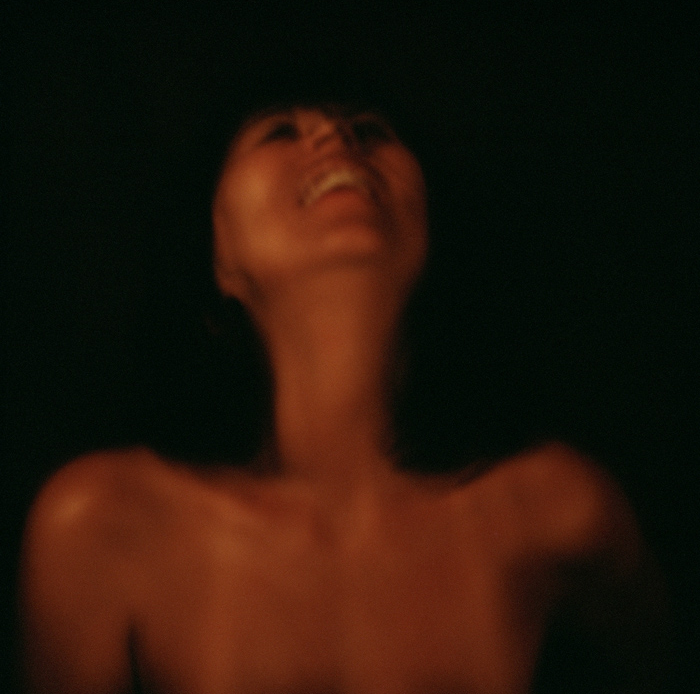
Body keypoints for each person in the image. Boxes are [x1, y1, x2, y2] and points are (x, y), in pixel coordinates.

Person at [19, 103, 669, 694]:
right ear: (219, 255)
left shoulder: (554, 510)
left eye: (371, 131)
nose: (335, 135)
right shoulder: (104, 525)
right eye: (279, 132)